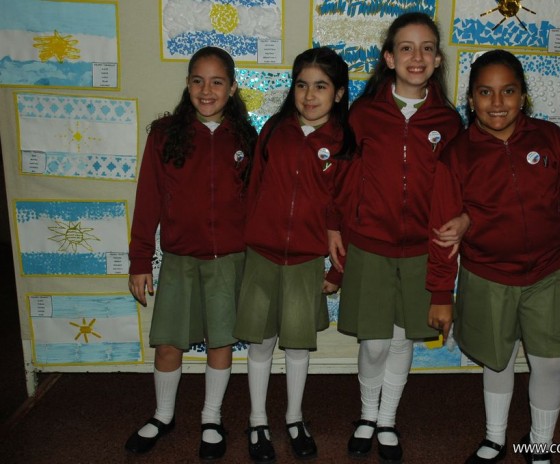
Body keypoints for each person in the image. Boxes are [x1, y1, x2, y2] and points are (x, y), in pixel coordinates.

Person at [428, 49, 560, 464]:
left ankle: (541, 444)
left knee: (548, 363)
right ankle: (494, 438)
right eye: (485, 92)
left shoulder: (551, 140)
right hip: (488, 278)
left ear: (523, 96)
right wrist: (440, 293)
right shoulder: (456, 156)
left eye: (508, 91)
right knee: (497, 363)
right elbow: (444, 232)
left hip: (548, 275)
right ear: (471, 99)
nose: (497, 102)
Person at [328, 12, 466, 463]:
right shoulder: (363, 114)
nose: (417, 56)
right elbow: (344, 177)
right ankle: (366, 415)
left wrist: (466, 218)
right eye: (406, 47)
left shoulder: (449, 122)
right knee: (374, 342)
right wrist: (334, 224)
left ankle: (387, 419)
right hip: (370, 246)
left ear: (438, 59)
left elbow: (464, 186)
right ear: (389, 58)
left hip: (422, 251)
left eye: (427, 48)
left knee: (404, 339)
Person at [125, 46, 257, 461]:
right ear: (187, 84)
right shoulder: (165, 134)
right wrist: (140, 260)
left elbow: (257, 203)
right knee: (168, 343)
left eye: (217, 81)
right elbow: (148, 199)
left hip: (228, 261)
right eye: (198, 80)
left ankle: (211, 417)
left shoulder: (246, 138)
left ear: (232, 88)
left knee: (220, 342)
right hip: (180, 258)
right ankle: (163, 415)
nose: (206, 90)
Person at [233, 46, 355, 463]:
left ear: (339, 93)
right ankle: (257, 420)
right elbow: (253, 190)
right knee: (261, 343)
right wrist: (246, 245)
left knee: (299, 347)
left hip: (306, 260)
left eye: (321, 86)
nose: (309, 95)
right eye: (302, 85)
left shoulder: (343, 142)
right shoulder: (274, 130)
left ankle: (294, 417)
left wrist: (337, 271)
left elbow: (345, 212)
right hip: (262, 256)